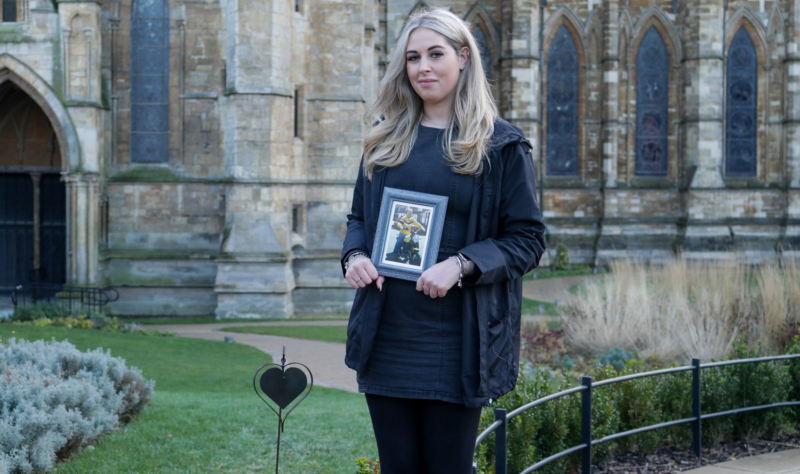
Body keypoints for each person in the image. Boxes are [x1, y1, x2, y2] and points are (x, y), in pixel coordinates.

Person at [340, 7, 546, 473]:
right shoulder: (385, 139)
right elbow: (359, 217)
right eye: (413, 58)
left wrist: (462, 264)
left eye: (436, 54)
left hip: (458, 344)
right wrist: (353, 255)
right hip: (387, 335)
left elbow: (528, 239)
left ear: (464, 58)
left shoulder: (500, 146)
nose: (423, 67)